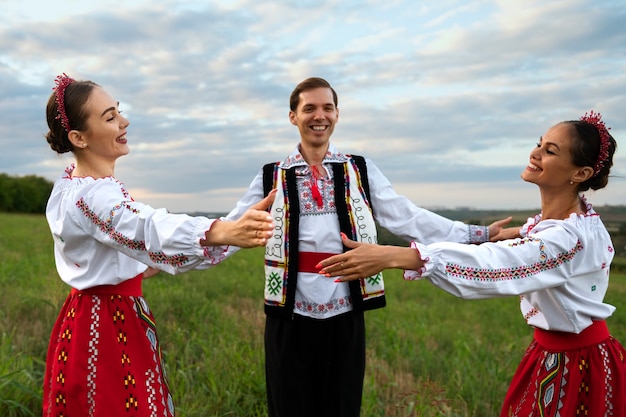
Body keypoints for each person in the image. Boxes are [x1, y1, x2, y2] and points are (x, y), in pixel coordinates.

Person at [223, 77, 514, 417]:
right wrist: (175, 252)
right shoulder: (272, 175)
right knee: (289, 406)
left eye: (327, 108)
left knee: (342, 405)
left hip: (345, 308)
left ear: (337, 114)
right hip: (290, 312)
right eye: (310, 108)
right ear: (293, 117)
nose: (320, 116)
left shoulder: (357, 169)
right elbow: (233, 228)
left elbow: (407, 217)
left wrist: (477, 234)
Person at [319, 111, 626, 416]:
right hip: (555, 352)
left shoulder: (569, 238)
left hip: (576, 363)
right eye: (540, 143)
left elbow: (501, 264)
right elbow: (534, 241)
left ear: (581, 174)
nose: (535, 153)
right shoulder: (572, 223)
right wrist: (510, 233)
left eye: (550, 151)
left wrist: (393, 255)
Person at [42, 74, 275, 417]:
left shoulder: (70, 188)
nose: (124, 121)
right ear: (79, 137)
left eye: (118, 111)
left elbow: (139, 250)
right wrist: (220, 231)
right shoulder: (94, 196)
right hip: (108, 324)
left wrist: (230, 230)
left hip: (86, 317)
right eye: (109, 117)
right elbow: (146, 227)